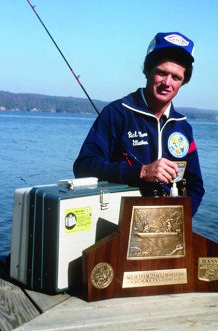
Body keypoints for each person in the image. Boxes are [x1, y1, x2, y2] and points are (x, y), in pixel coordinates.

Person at [73, 31, 205, 216]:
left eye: (176, 77)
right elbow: (84, 166)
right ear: (148, 71)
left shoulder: (183, 127)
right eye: (161, 73)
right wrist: (141, 172)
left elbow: (195, 185)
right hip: (120, 221)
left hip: (167, 225)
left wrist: (182, 218)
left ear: (183, 82)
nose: (167, 83)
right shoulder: (117, 113)